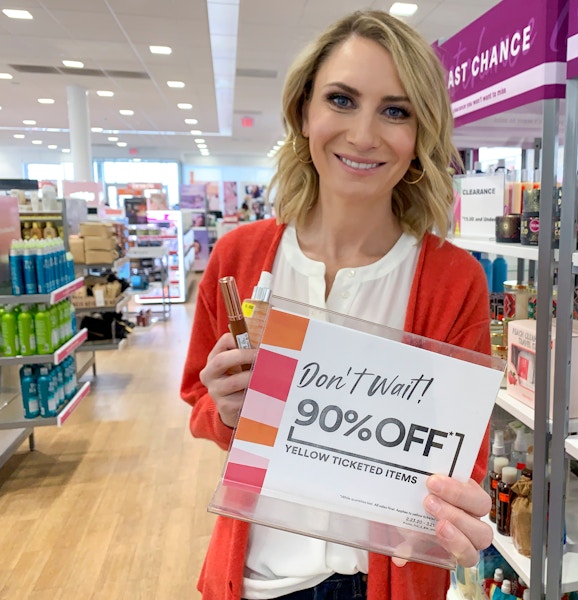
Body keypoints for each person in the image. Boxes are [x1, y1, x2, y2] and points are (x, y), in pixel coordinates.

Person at [180, 10, 493, 600]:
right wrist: (223, 410)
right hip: (259, 581)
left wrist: (459, 511)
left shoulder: (454, 280)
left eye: (395, 110)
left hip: (389, 582)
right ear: (304, 111)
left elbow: (461, 459)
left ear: (421, 133)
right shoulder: (239, 259)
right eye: (342, 100)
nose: (365, 134)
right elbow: (199, 401)